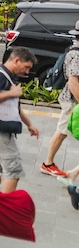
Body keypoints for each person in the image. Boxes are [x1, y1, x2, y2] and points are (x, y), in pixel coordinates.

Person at [0, 47, 40, 192]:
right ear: (17, 60)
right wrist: (11, 93)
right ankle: (3, 210)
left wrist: (29, 124)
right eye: (26, 67)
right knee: (13, 170)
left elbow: (14, 106)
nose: (27, 72)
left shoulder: (8, 76)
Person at [41, 19, 79, 177]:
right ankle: (48, 163)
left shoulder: (73, 51)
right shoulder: (76, 54)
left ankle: (50, 164)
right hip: (72, 100)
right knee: (62, 131)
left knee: (62, 131)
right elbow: (73, 81)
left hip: (70, 99)